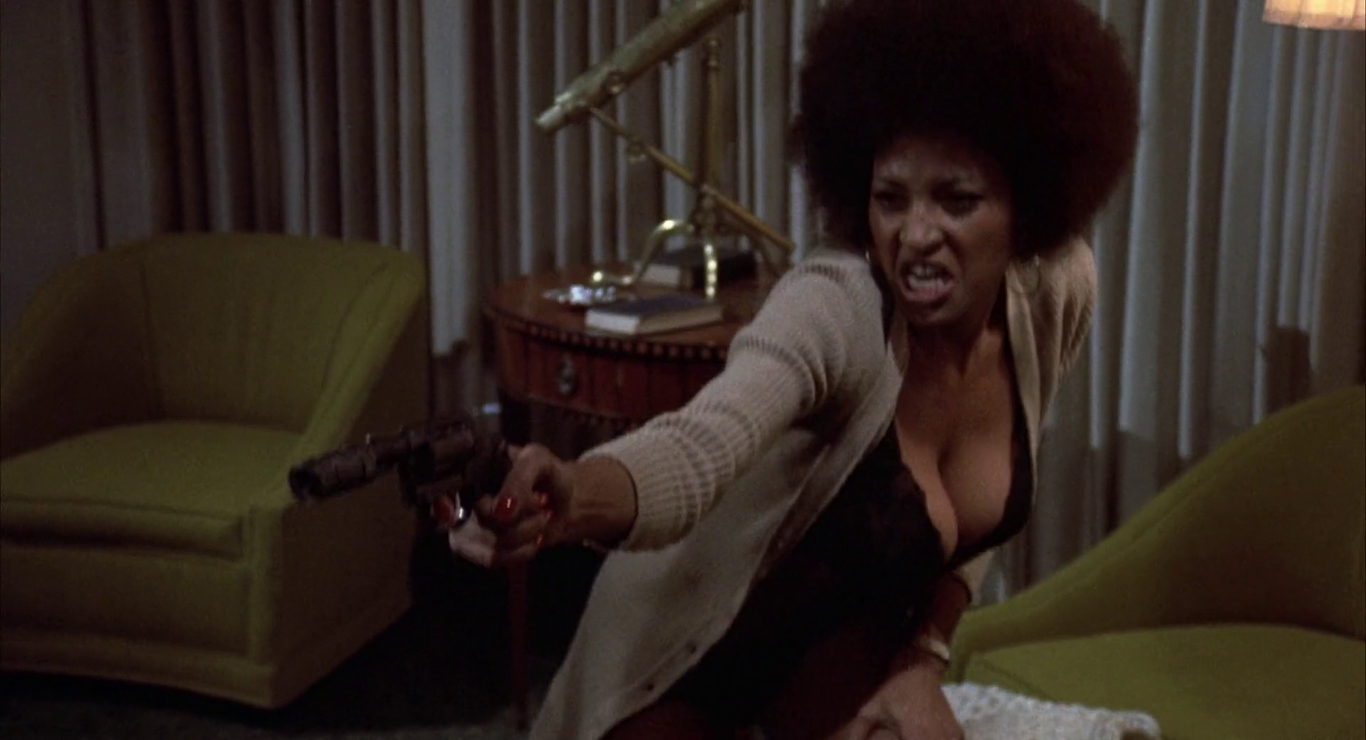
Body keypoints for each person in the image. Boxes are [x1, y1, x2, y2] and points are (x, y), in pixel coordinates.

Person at [458, 0, 1139, 737]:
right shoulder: (837, 304)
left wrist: (922, 659)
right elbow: (697, 445)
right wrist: (572, 492)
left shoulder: (1056, 294)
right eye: (890, 199)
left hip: (833, 655)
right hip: (683, 655)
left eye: (957, 200)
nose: (916, 235)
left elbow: (978, 529)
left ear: (1025, 206)